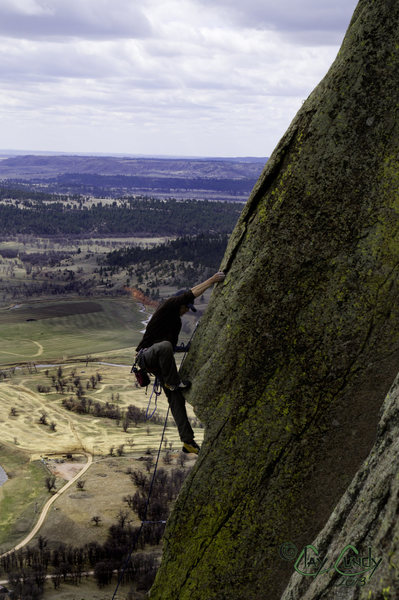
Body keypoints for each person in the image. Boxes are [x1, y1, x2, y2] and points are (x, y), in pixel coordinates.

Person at [135, 271, 225, 454]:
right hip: (146, 357)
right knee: (165, 347)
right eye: (186, 307)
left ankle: (188, 442)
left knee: (176, 400)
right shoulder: (168, 305)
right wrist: (213, 280)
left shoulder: (175, 323)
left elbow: (171, 348)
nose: (186, 311)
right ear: (180, 304)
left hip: (159, 364)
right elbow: (190, 293)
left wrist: (188, 349)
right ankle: (173, 382)